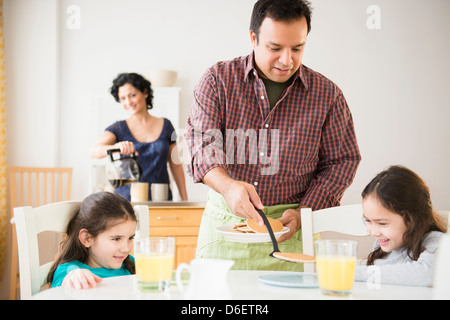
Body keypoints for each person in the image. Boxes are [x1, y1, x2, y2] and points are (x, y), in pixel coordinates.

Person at [184, 0, 361, 270]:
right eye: (275, 48)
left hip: (292, 229)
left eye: (297, 48)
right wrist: (228, 186)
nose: (286, 60)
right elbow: (200, 145)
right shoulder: (217, 80)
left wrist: (305, 212)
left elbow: (342, 161)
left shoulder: (328, 95)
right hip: (227, 223)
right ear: (253, 38)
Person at [91, 72, 188, 201]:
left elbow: (176, 165)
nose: (128, 102)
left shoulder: (166, 125)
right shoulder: (118, 128)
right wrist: (116, 147)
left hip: (160, 197)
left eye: (132, 95)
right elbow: (95, 151)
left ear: (145, 92)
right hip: (126, 201)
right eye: (123, 98)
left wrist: (185, 199)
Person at [355, 165, 447, 286]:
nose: (373, 232)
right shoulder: (382, 244)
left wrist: (350, 272)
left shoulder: (436, 242)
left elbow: (427, 274)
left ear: (412, 219)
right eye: (368, 221)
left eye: (382, 223)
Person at [47, 192, 137, 289]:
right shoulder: (70, 271)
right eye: (116, 239)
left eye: (130, 238)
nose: (126, 248)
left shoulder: (130, 263)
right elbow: (66, 283)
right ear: (87, 238)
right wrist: (73, 277)